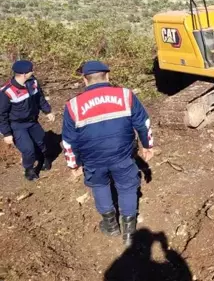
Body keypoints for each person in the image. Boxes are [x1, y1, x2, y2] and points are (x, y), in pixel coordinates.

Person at [62, 61, 155, 246]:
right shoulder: (125, 95)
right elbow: (143, 123)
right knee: (127, 187)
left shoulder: (73, 105)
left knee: (100, 186)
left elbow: (68, 141)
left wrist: (74, 164)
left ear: (84, 79)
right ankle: (129, 232)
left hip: (92, 159)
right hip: (123, 155)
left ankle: (111, 225)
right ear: (108, 76)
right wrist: (147, 146)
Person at [0, 60, 55, 181]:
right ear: (24, 74)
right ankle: (29, 169)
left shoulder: (33, 82)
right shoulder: (7, 91)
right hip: (17, 125)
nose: (33, 72)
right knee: (28, 149)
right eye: (31, 70)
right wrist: (7, 133)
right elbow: (1, 114)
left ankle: (44, 159)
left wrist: (47, 111)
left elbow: (39, 98)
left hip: (32, 121)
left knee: (41, 141)